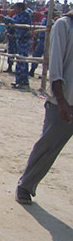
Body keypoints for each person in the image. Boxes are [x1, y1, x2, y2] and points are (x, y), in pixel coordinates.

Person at [16, 12, 73, 204]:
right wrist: (61, 100)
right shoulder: (64, 25)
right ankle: (26, 185)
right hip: (64, 100)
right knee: (48, 146)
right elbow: (55, 65)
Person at [0, 2, 32, 88]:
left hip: (24, 40)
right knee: (19, 60)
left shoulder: (26, 15)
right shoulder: (16, 16)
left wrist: (6, 18)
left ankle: (24, 81)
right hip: (18, 39)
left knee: (23, 61)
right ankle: (18, 80)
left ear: (20, 8)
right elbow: (12, 25)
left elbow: (17, 22)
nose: (15, 10)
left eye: (16, 8)